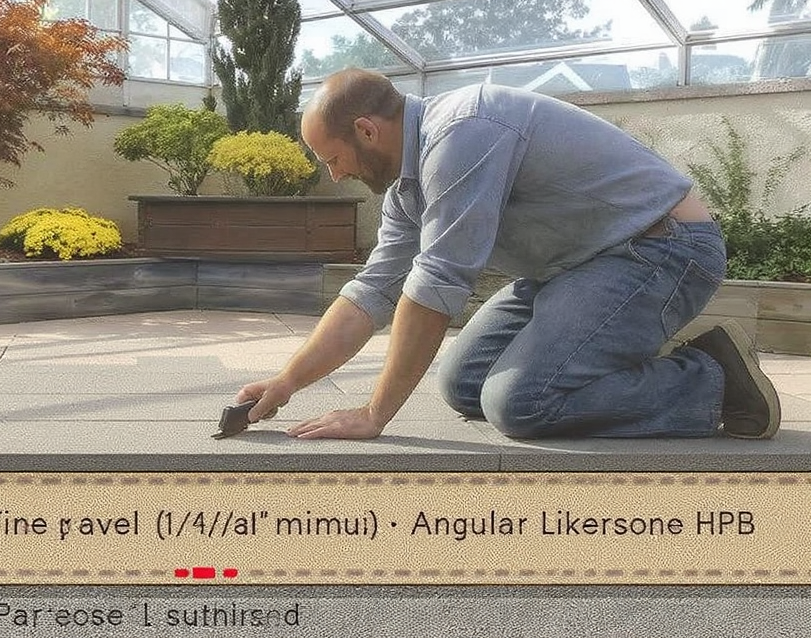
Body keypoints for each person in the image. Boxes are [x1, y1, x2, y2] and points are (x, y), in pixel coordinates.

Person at [235, 68, 780, 440]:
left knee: (521, 404)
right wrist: (286, 383)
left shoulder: (464, 130)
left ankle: (714, 378)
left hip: (659, 249)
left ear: (365, 130)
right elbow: (370, 294)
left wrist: (376, 414)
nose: (337, 175)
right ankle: (603, 356)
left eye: (333, 159)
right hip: (573, 266)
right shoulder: (407, 188)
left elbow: (435, 286)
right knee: (464, 382)